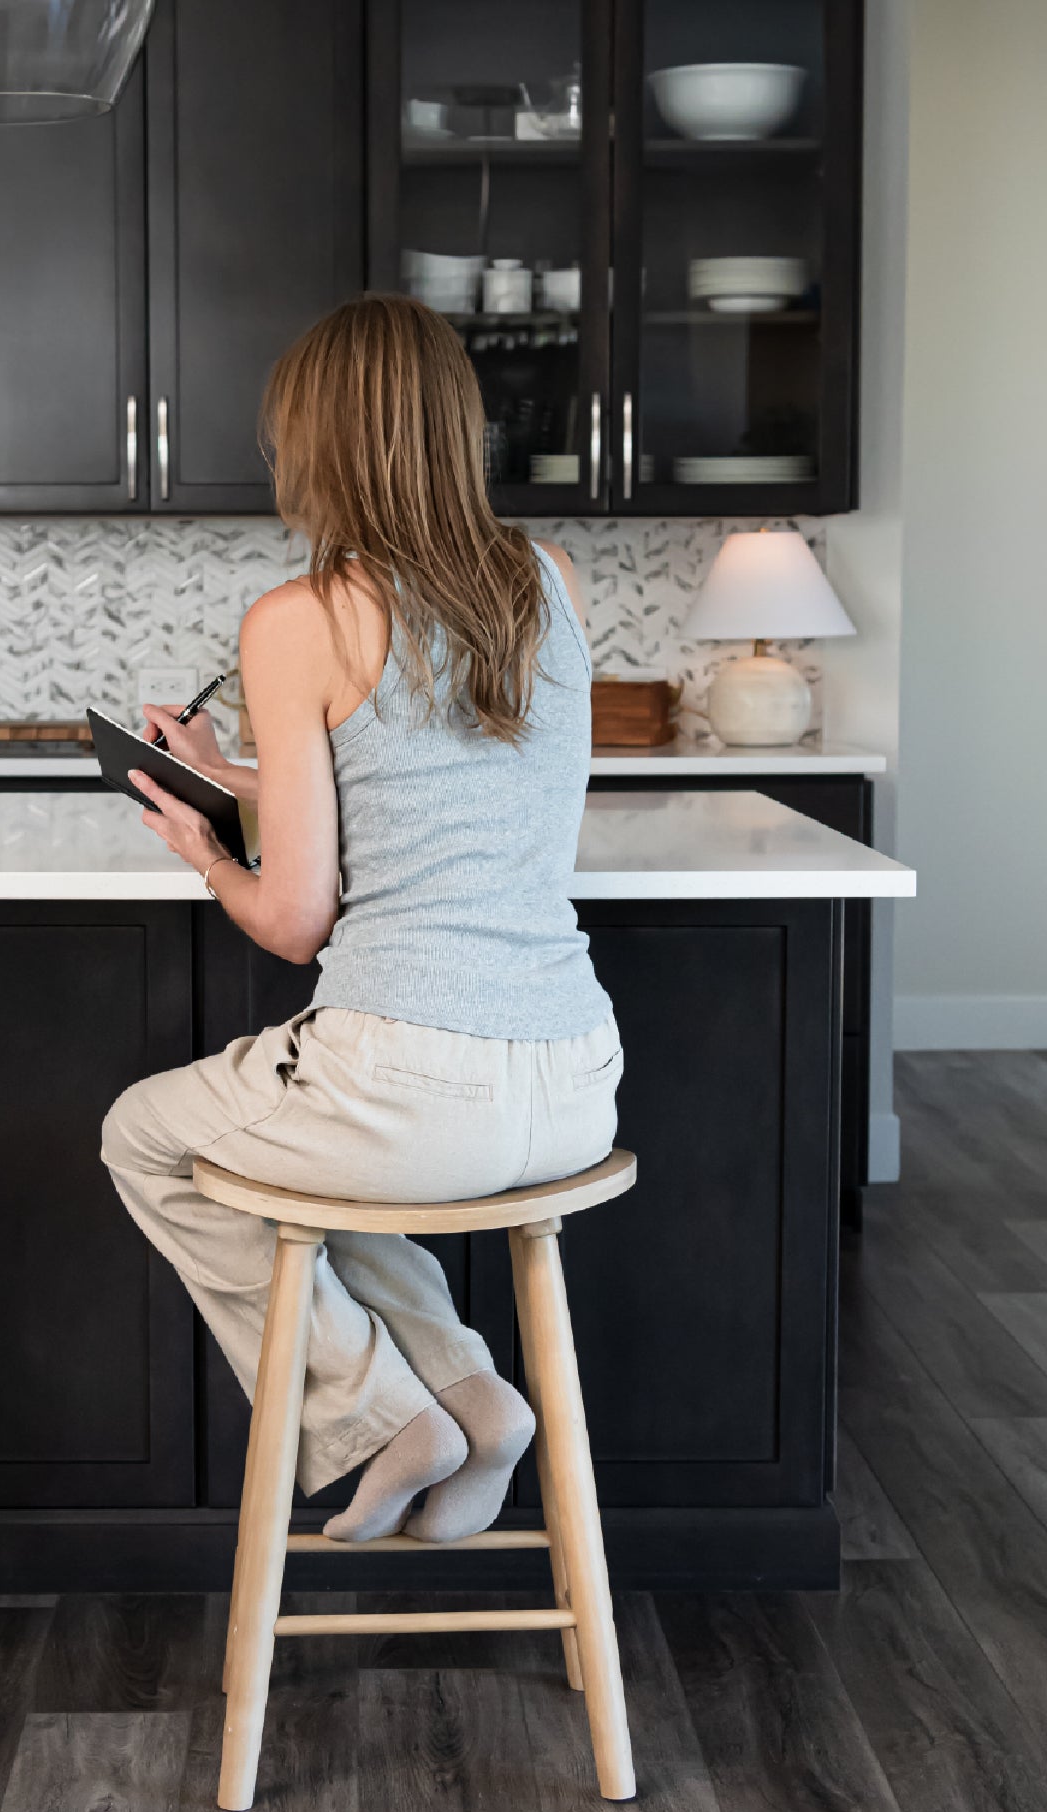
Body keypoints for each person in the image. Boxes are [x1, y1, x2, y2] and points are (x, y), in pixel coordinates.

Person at [100, 294, 620, 1544]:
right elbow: (417, 775)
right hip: (572, 1080)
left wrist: (199, 848)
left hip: (406, 1083)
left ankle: (384, 1416)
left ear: (319, 442)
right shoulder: (545, 579)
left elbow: (292, 918)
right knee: (320, 1178)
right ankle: (476, 1399)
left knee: (147, 1139)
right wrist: (229, 772)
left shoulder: (298, 616)